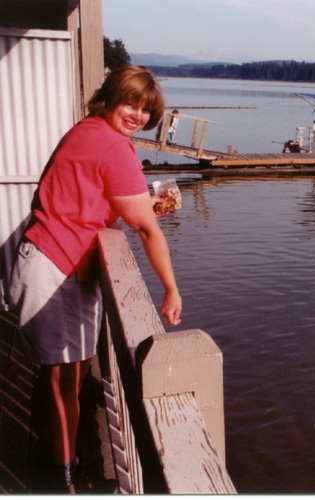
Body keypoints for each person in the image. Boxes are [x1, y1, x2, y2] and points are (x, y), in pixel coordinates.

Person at [9, 65, 182, 492]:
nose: (137, 115)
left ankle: (62, 463)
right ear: (108, 98)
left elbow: (87, 189)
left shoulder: (87, 130)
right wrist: (171, 289)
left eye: (146, 109)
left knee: (64, 379)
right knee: (64, 382)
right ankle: (62, 479)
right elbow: (146, 229)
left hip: (47, 259)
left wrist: (139, 201)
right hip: (57, 268)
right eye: (130, 103)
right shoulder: (114, 147)